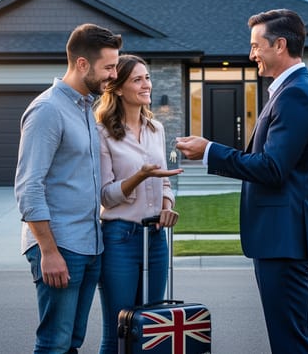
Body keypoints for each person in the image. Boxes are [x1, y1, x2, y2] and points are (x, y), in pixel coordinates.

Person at [176, 9, 308, 354]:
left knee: (290, 341)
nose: (251, 54)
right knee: (288, 336)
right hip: (282, 237)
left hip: (284, 238)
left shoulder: (296, 95)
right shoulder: (289, 91)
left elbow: (273, 168)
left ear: (280, 45)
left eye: (256, 46)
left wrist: (208, 151)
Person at [14, 23, 122, 354]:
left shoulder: (86, 109)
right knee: (54, 343)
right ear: (81, 64)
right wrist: (48, 251)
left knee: (72, 342)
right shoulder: (47, 110)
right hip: (60, 246)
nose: (114, 75)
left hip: (89, 245)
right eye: (108, 67)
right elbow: (28, 187)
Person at [94, 54, 182, 354]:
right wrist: (138, 177)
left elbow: (165, 182)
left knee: (152, 330)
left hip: (155, 240)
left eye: (147, 77)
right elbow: (105, 195)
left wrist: (167, 206)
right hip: (120, 238)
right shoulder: (102, 132)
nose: (147, 85)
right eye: (138, 79)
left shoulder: (156, 129)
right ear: (118, 88)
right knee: (119, 331)